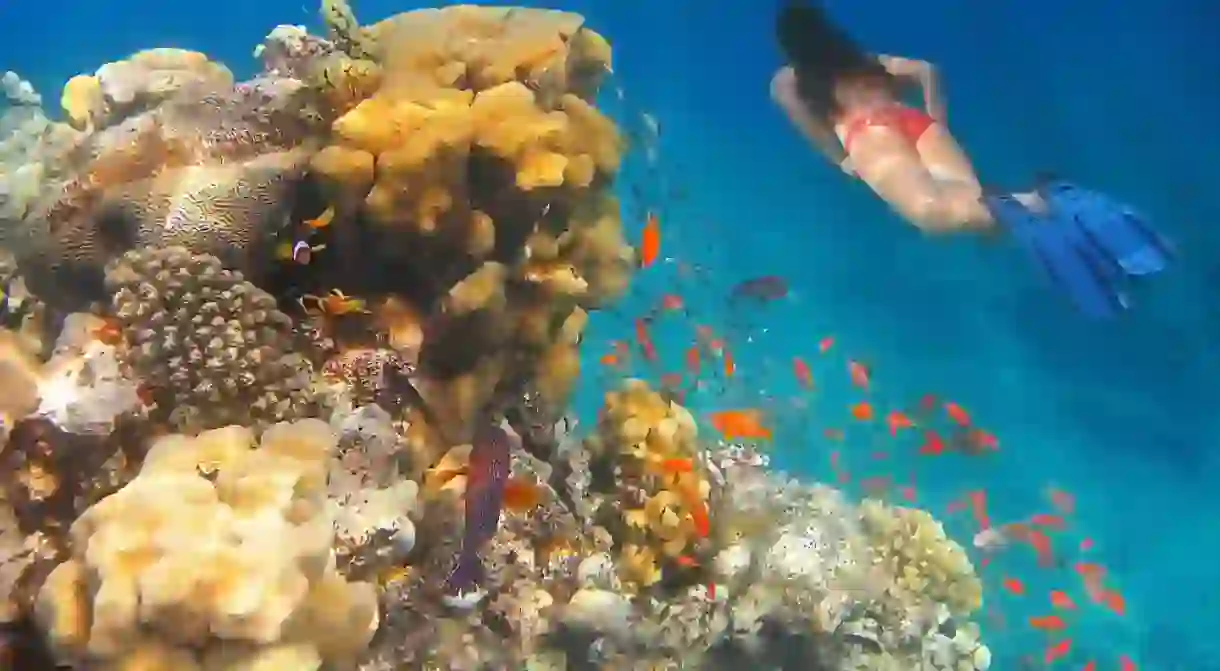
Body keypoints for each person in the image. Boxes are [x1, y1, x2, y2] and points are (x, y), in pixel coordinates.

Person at [770, 0, 1172, 318]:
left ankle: (1048, 199)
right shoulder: (864, 59)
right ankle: (1071, 226)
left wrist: (840, 159)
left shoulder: (791, 79)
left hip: (871, 138)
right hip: (916, 125)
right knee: (978, 212)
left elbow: (810, 125)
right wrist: (935, 120)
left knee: (934, 217)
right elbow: (927, 70)